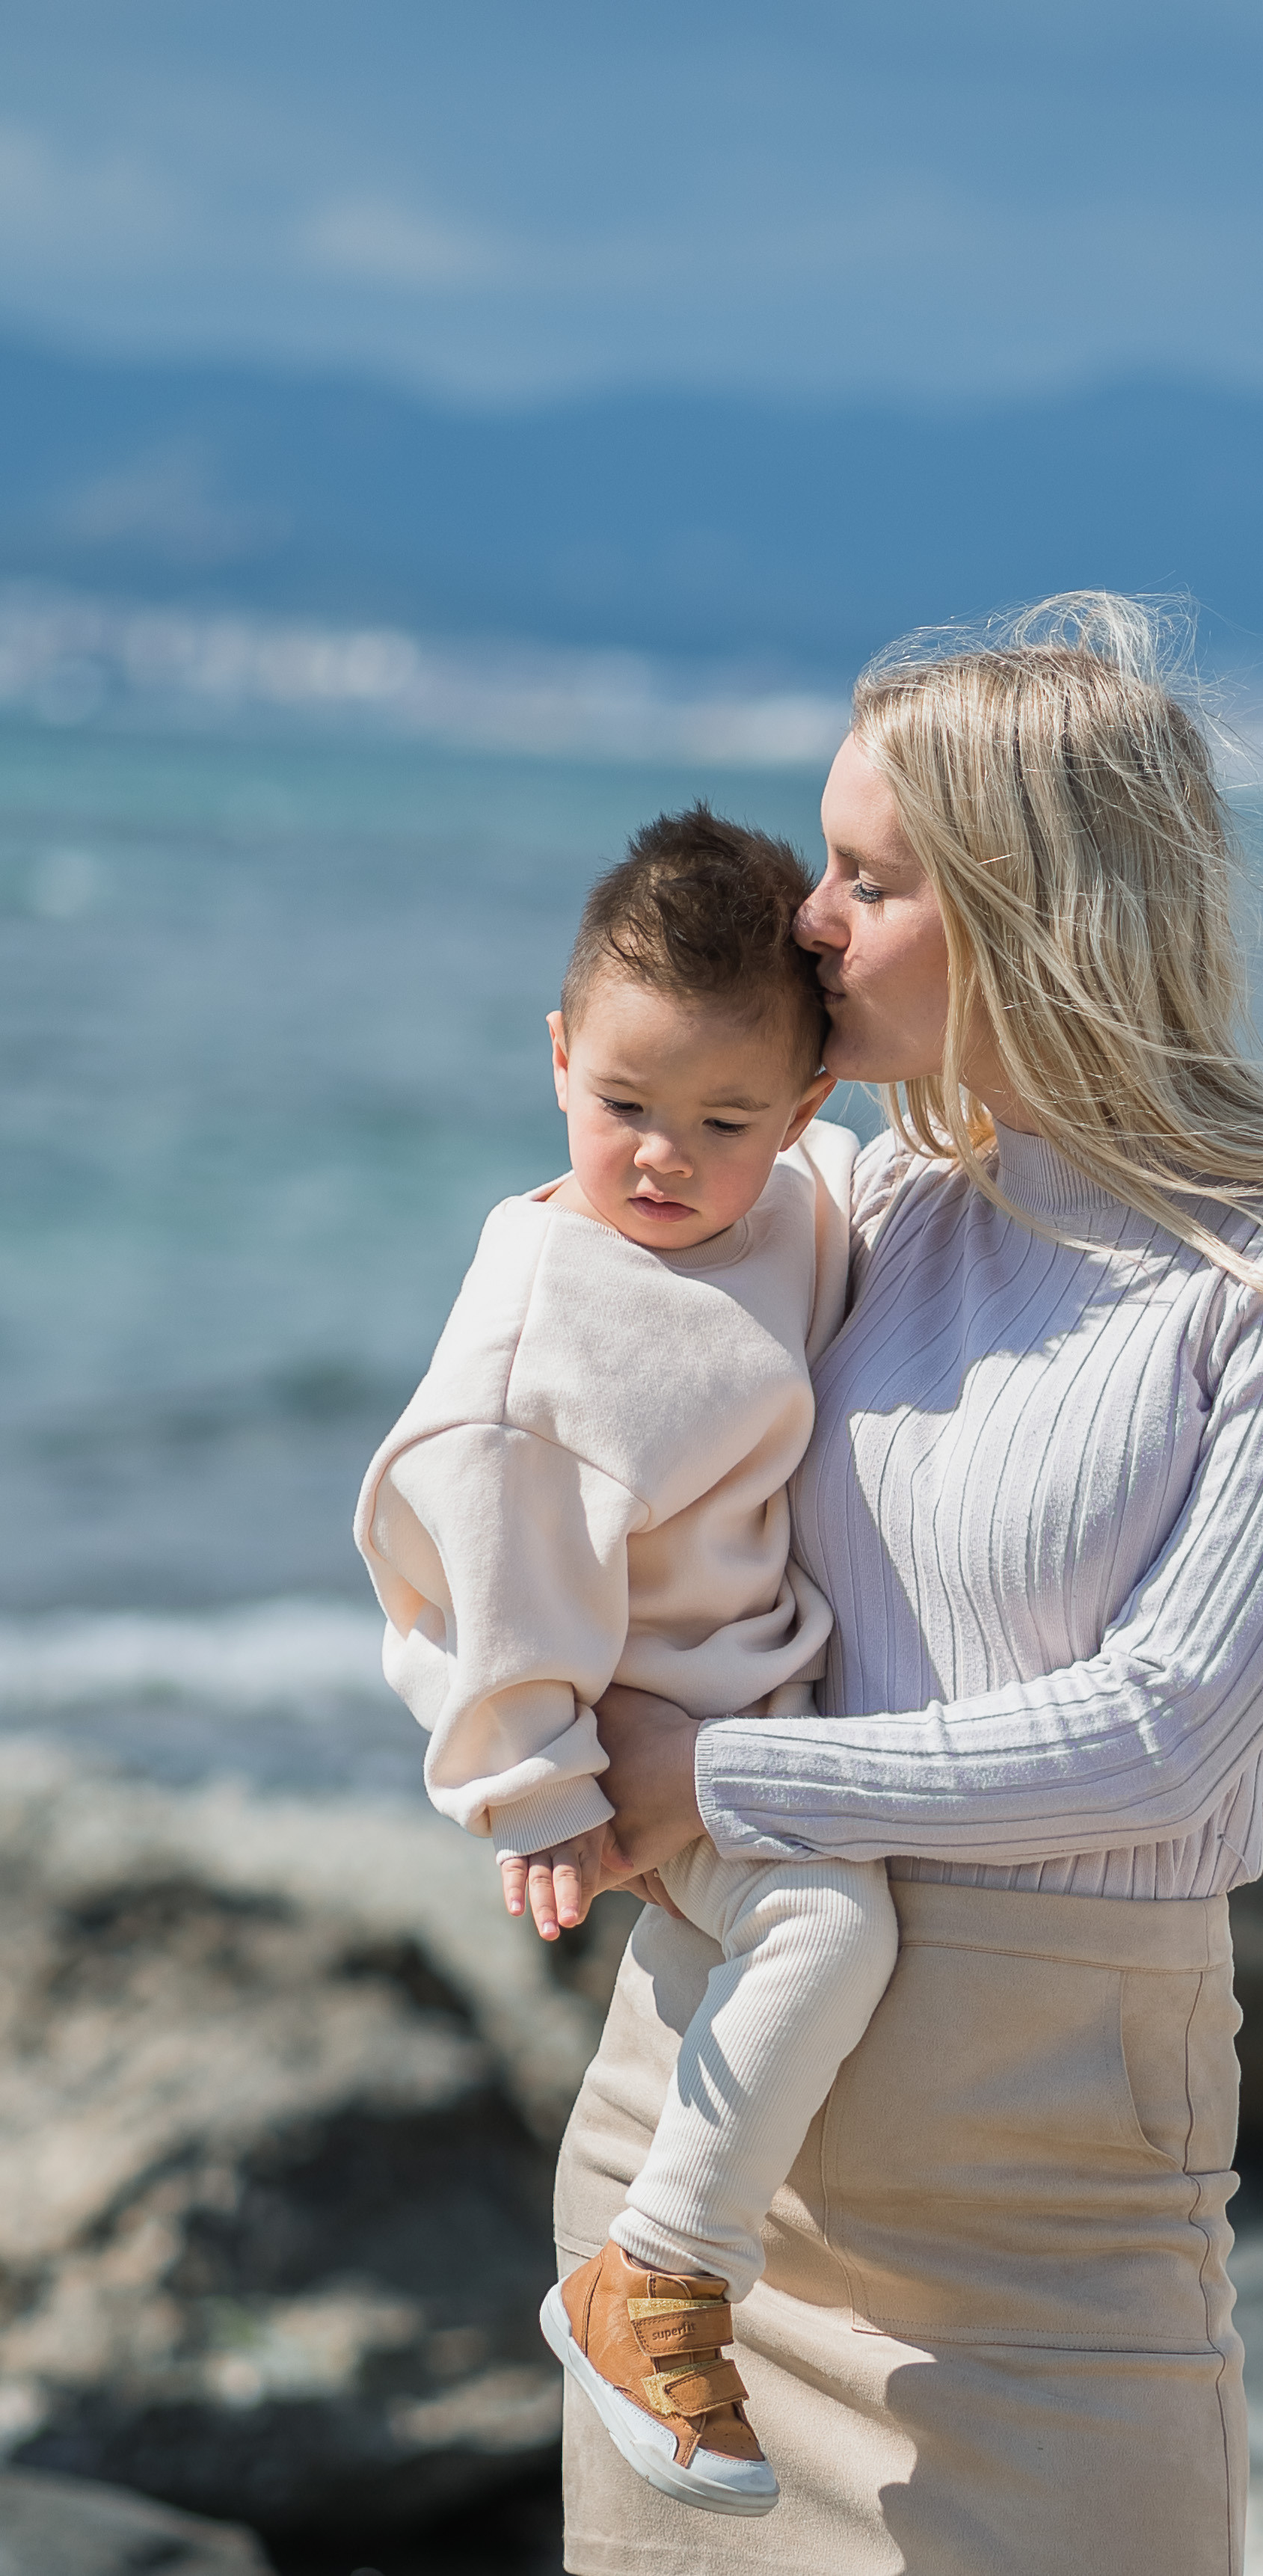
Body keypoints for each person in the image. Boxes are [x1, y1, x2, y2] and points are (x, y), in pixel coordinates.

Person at [547, 595, 1263, 2576]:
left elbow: (1166, 1735)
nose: (804, 918)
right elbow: (569, 1416)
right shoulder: (861, 1206)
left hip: (1047, 2204)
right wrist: (525, 1731)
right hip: (694, 2162)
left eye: (869, 878)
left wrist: (712, 1784)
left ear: (1036, 912)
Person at [354, 807, 899, 2518]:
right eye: (622, 1107)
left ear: (807, 1111)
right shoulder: (549, 1329)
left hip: (751, 1702)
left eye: (723, 1121)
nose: (662, 1158)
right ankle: (658, 2265)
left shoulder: (795, 1198)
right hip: (645, 1741)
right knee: (832, 1919)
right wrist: (541, 1797)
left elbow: (872, 1184)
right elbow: (482, 1575)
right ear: (560, 1056)